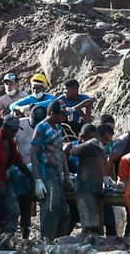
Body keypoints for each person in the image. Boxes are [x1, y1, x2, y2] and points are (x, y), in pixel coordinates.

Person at [30, 101, 72, 241]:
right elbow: (34, 153)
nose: (64, 117)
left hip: (57, 174)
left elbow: (60, 152)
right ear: (52, 113)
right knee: (50, 209)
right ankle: (46, 243)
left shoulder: (58, 128)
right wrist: (38, 180)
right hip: (46, 173)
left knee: (62, 211)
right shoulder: (41, 128)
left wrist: (66, 175)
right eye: (61, 114)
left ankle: (59, 242)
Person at [71, 124, 114, 235]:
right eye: (105, 139)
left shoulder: (102, 150)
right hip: (85, 191)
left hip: (97, 191)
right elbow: (73, 151)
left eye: (109, 140)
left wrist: (108, 181)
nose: (106, 143)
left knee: (98, 229)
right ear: (98, 136)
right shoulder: (89, 147)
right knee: (90, 226)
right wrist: (87, 143)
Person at [13, 105, 47, 239]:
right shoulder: (20, 125)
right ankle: (20, 236)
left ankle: (35, 236)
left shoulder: (45, 127)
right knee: (21, 204)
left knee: (37, 205)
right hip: (20, 171)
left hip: (39, 170)